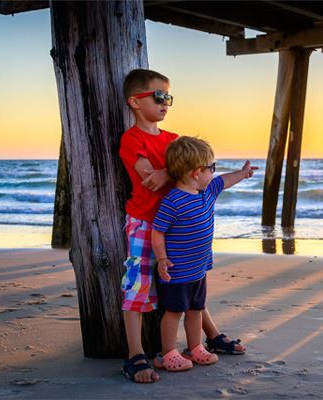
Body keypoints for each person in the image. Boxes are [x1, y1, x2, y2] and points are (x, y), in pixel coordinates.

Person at [119, 69, 245, 383]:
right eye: (158, 97)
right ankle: (135, 354)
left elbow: (192, 172)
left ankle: (210, 336)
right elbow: (150, 178)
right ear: (135, 102)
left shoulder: (173, 139)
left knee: (189, 281)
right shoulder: (132, 138)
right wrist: (165, 172)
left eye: (168, 98)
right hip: (146, 223)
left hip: (178, 227)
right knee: (137, 286)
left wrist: (170, 173)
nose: (165, 104)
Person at [150, 136, 256, 371]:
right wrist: (161, 259)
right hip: (177, 272)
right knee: (174, 311)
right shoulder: (173, 202)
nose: (214, 173)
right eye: (212, 168)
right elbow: (157, 232)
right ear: (197, 172)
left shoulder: (206, 192)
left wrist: (243, 173)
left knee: (196, 308)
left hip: (198, 269)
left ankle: (195, 347)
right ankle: (168, 353)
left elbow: (224, 181)